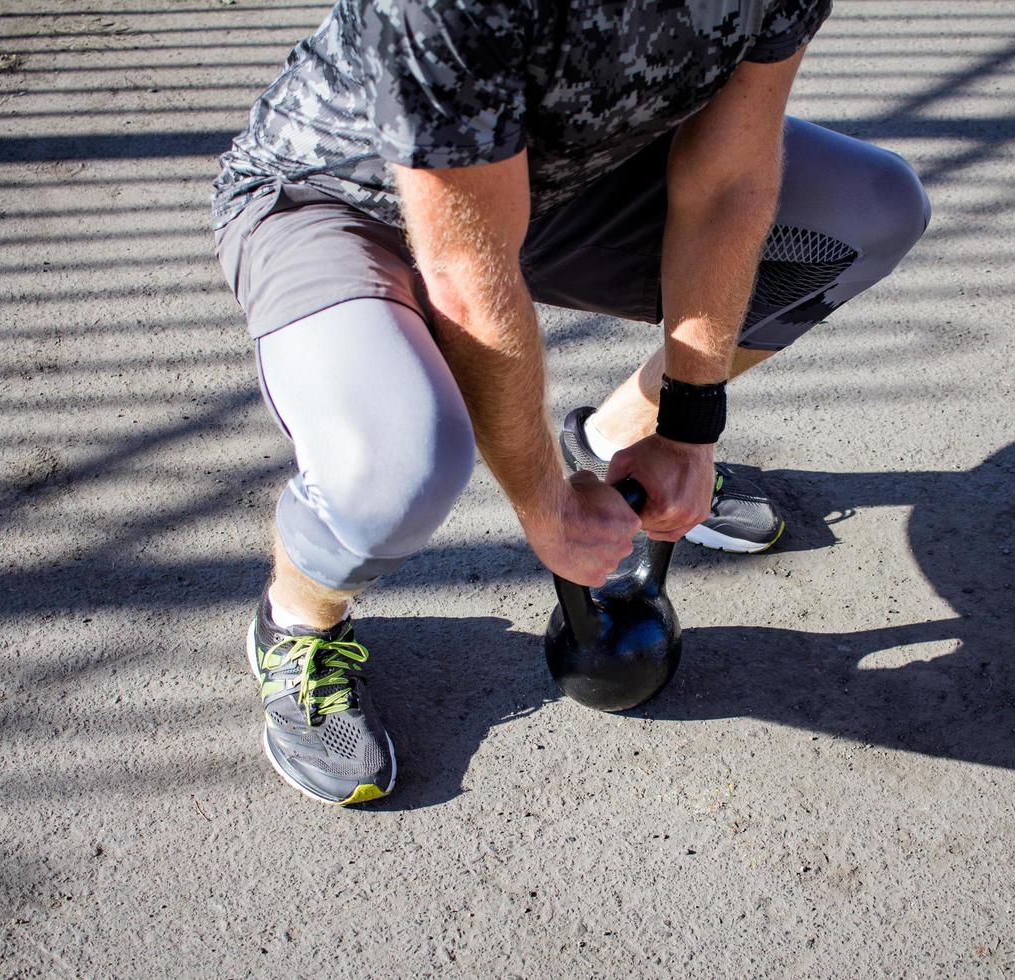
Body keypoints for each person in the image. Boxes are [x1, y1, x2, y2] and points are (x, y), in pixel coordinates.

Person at [212, 0, 930, 806]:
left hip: (556, 191)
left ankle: (617, 434)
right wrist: (542, 505)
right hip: (340, 204)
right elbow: (466, 278)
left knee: (870, 209)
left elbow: (729, 182)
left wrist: (687, 426)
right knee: (399, 466)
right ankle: (297, 623)